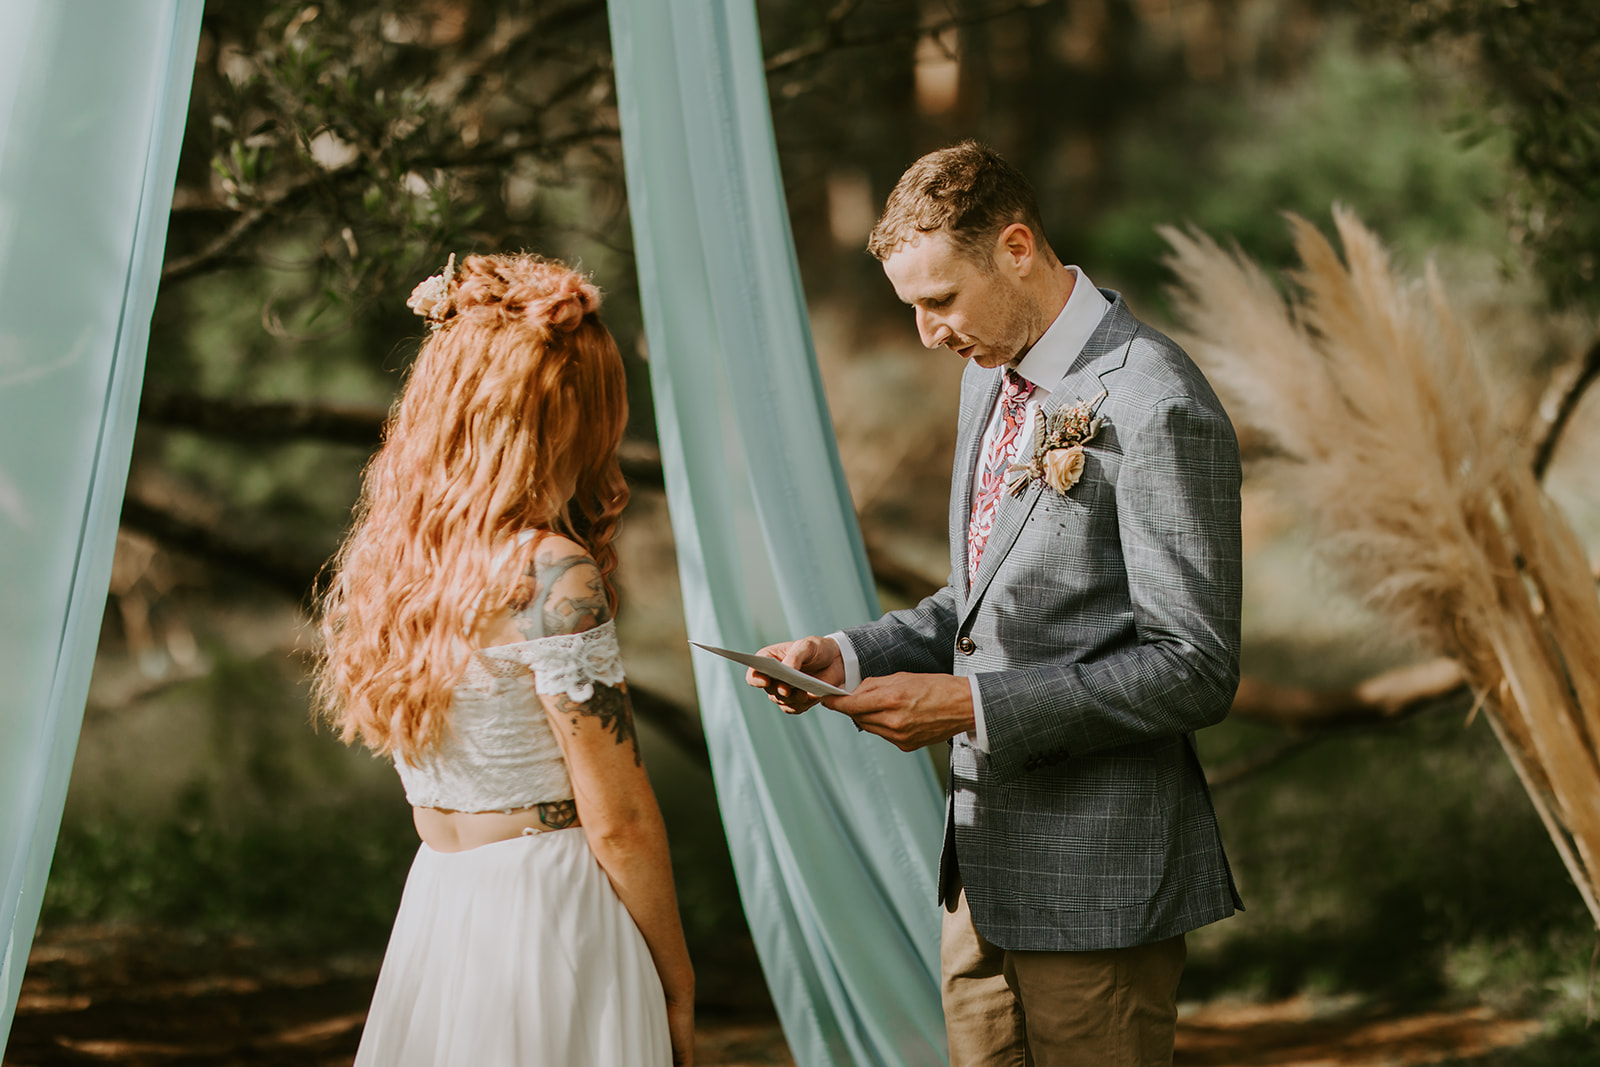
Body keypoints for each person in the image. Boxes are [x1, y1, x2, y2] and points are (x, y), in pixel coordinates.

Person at [748, 141, 1242, 1066]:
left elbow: (1195, 668)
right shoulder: (989, 376)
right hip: (978, 875)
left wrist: (969, 706)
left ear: (1017, 248)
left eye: (940, 301)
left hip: (1099, 886)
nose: (929, 334)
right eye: (913, 308)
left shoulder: (1153, 400)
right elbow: (977, 601)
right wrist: (847, 653)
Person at [316, 253, 694, 1066]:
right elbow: (620, 819)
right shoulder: (553, 572)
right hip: (550, 910)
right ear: (562, 410)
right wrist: (676, 981)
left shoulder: (397, 560)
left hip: (441, 904)